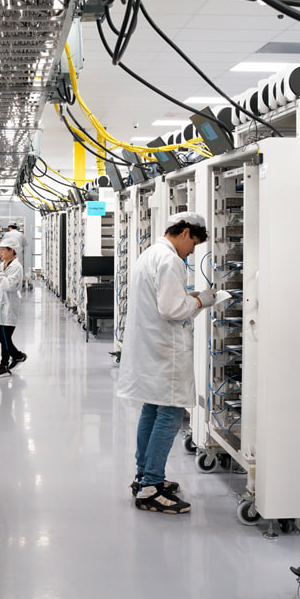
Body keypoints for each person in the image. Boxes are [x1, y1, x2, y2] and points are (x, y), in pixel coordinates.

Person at [115, 212, 215, 514]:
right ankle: (151, 488)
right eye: (194, 244)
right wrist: (201, 300)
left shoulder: (151, 254)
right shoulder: (170, 259)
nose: (192, 251)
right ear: (185, 232)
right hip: (165, 351)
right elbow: (173, 309)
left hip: (152, 349)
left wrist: (189, 296)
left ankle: (143, 474)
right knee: (170, 414)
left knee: (152, 408)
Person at [0, 235, 27, 378]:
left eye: (3, 250)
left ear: (12, 251)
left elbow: (8, 285)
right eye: (0, 250)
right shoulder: (2, 264)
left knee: (5, 336)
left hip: (10, 306)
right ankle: (17, 355)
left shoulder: (16, 267)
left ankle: (4, 365)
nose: (1, 253)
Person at [1, 223, 30, 288]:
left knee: (8, 269)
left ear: (10, 227)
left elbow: (2, 244)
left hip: (9, 255)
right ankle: (20, 283)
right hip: (19, 255)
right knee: (18, 269)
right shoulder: (21, 234)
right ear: (16, 227)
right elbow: (25, 244)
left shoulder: (6, 234)